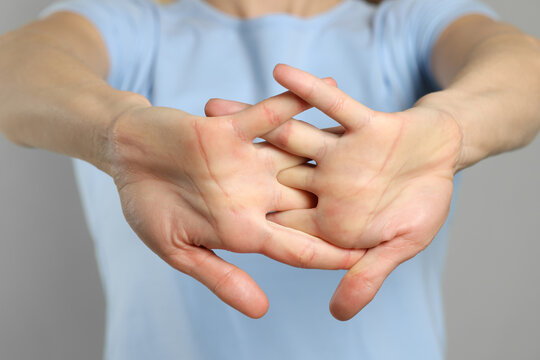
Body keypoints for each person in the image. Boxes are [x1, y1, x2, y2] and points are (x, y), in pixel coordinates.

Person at [0, 0, 539, 358]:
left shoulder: (406, 24)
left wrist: (452, 131)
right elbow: (17, 66)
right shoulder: (132, 24)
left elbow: (522, 66)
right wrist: (116, 135)